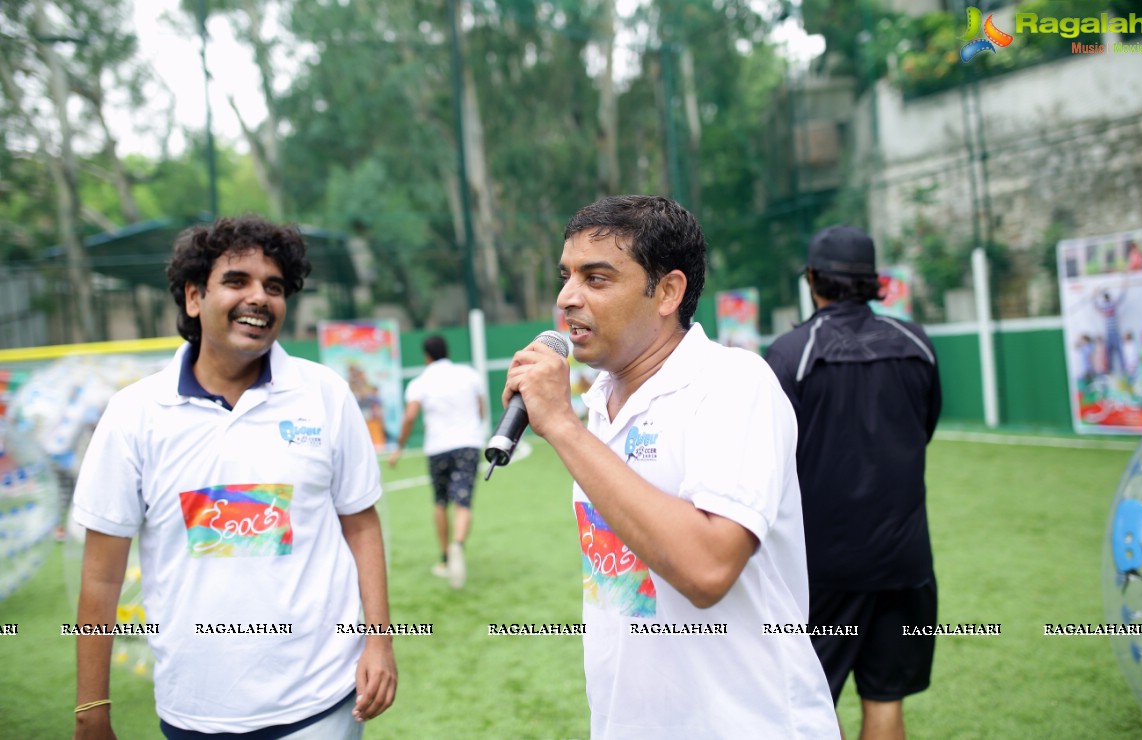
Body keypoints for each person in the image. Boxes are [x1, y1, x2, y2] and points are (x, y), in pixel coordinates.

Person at [502, 195, 839, 738]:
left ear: (668, 291)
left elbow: (707, 570)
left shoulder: (731, 383)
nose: (567, 298)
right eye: (566, 276)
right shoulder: (601, 403)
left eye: (597, 278)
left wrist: (561, 427)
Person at [71, 215, 396, 739]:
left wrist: (379, 640)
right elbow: (102, 576)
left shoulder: (326, 395)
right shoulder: (135, 414)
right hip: (193, 710)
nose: (260, 298)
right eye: (237, 281)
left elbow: (360, 524)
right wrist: (92, 707)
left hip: (322, 702)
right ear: (194, 297)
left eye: (274, 286)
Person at [766, 225, 941, 740]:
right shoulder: (917, 343)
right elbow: (923, 429)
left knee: (809, 706)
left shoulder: (790, 353)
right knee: (885, 698)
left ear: (813, 280)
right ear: (874, 282)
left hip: (821, 571)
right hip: (906, 564)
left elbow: (772, 459)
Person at [387, 335, 485, 589]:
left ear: (426, 356)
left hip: (437, 448)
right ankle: (458, 544)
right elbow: (481, 407)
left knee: (440, 502)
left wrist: (399, 447)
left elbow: (410, 416)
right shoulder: (468, 374)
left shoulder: (420, 383)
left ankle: (444, 558)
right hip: (468, 444)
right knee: (463, 502)